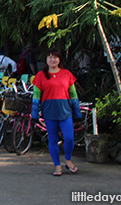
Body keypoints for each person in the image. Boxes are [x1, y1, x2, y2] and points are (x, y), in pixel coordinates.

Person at [31, 47, 82, 176]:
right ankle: (57, 166)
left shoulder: (67, 74)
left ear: (59, 59)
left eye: (55, 57)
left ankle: (68, 160)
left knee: (69, 138)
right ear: (46, 60)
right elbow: (36, 97)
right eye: (50, 57)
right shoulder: (40, 76)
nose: (52, 59)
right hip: (49, 112)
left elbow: (73, 95)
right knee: (53, 140)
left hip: (65, 112)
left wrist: (77, 113)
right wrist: (34, 114)